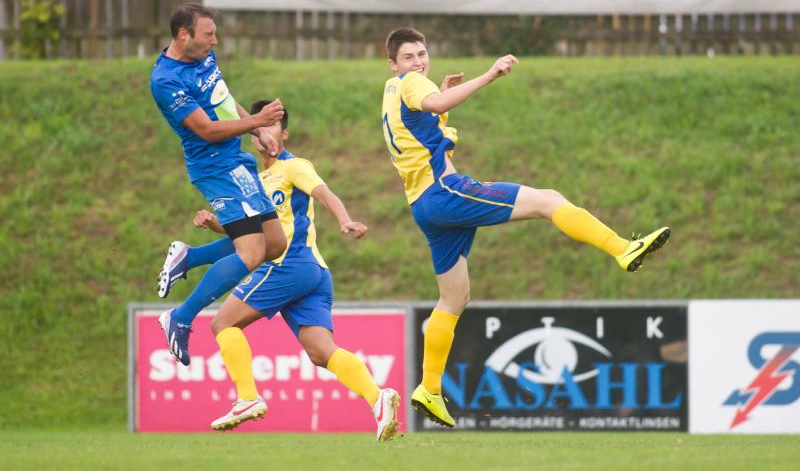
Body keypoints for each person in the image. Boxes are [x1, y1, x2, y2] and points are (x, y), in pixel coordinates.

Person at [380, 27, 670, 428]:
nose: (418, 62)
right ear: (393, 63)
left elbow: (426, 117)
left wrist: (442, 99)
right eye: (409, 57)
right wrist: (488, 75)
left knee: (454, 298)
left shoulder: (392, 91)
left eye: (422, 54)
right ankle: (623, 248)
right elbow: (434, 102)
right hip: (445, 191)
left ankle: (428, 389)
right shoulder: (413, 83)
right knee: (548, 200)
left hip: (424, 205)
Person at [174, 100, 400, 441]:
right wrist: (216, 224)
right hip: (310, 273)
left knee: (223, 323)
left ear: (284, 134)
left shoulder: (293, 166)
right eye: (259, 127)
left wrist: (345, 219)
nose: (265, 133)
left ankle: (248, 398)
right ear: (252, 134)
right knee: (320, 351)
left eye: (272, 126)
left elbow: (324, 193)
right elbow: (250, 234)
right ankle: (378, 399)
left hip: (289, 264)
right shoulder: (253, 181)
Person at [150, 3, 287, 366]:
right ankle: (180, 317)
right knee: (251, 252)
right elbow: (207, 130)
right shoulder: (166, 80)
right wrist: (258, 120)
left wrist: (256, 130)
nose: (215, 41)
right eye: (208, 34)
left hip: (236, 159)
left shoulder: (202, 56)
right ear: (184, 35)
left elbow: (222, 99)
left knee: (274, 243)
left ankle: (190, 257)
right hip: (214, 166)